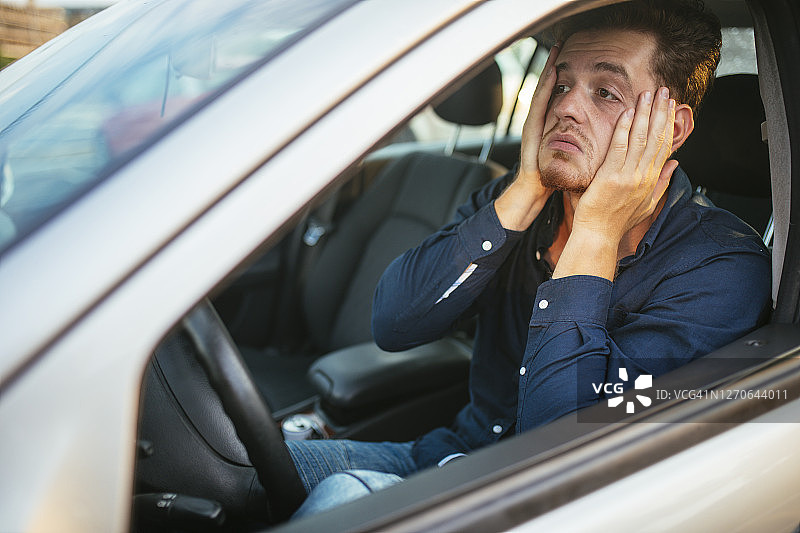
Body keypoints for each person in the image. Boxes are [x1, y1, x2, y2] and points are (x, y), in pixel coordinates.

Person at [286, 0, 772, 516]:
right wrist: (523, 189)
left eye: (606, 92)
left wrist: (596, 230)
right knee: (233, 468)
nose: (566, 108)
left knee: (339, 501)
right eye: (561, 86)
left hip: (534, 504)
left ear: (670, 130)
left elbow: (563, 453)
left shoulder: (722, 269)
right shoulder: (520, 202)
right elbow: (393, 323)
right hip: (446, 456)